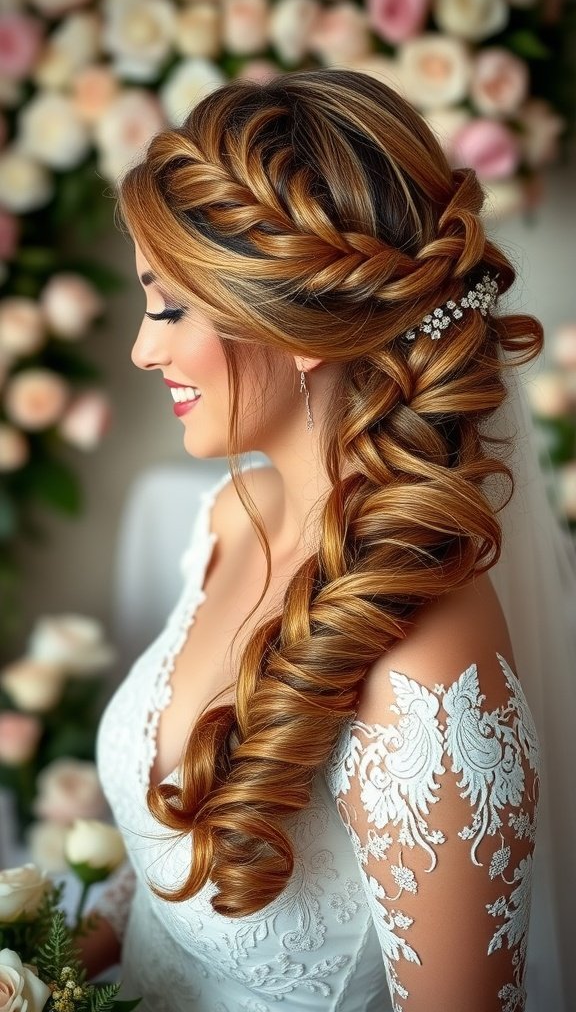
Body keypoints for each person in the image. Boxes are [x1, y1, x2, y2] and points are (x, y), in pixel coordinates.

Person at [75, 69, 576, 1011]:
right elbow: (160, 871)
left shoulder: (431, 673)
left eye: (170, 307)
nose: (146, 350)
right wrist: (46, 955)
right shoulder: (227, 518)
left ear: (303, 321)